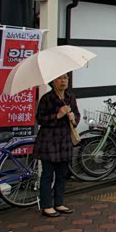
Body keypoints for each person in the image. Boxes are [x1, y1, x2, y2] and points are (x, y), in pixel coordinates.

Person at [34, 73, 80, 217]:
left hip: (64, 141)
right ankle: (46, 205)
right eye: (59, 78)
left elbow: (77, 116)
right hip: (49, 141)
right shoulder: (47, 98)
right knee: (47, 174)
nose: (63, 81)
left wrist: (73, 118)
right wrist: (58, 115)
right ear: (53, 81)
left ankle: (59, 203)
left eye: (65, 78)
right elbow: (40, 118)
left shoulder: (70, 98)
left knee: (62, 174)